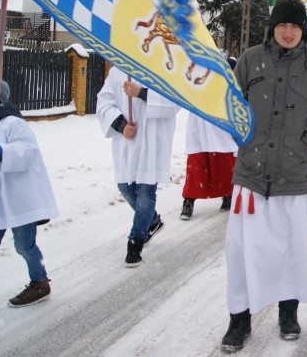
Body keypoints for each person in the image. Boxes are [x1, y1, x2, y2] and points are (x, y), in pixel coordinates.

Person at [221, 0, 307, 352]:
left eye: (295, 26)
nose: (288, 32)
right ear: (273, 27)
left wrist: (302, 147)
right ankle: (239, 319)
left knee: (290, 250)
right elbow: (230, 103)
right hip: (251, 176)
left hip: (294, 179)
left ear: (304, 29)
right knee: (241, 252)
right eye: (283, 25)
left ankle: (288, 312)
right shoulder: (251, 59)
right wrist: (243, 137)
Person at [0, 78, 58, 320]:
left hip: (16, 199)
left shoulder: (12, 123)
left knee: (23, 245)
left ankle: (40, 282)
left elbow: (28, 152)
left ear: (1, 99)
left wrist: (4, 152)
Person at [97, 67, 179, 267]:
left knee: (145, 193)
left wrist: (141, 93)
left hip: (152, 142)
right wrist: (120, 125)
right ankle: (152, 221)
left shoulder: (161, 66)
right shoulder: (117, 71)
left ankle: (135, 244)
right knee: (125, 186)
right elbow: (104, 102)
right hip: (127, 142)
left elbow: (174, 101)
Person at [180, 105, 238, 219]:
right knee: (196, 163)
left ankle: (228, 195)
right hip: (198, 114)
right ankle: (188, 200)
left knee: (224, 159)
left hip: (219, 113)